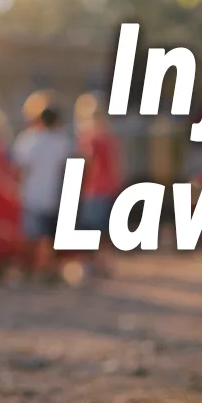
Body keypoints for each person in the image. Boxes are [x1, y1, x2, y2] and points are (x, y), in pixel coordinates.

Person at [12, 98, 74, 283]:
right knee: (53, 237)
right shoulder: (63, 142)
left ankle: (26, 270)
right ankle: (49, 270)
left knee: (31, 237)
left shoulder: (28, 140)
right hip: (55, 195)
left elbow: (20, 169)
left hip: (32, 194)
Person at [74, 93, 122, 279]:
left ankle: (91, 264)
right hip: (108, 187)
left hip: (94, 189)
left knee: (90, 228)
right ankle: (104, 263)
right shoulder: (109, 136)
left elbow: (87, 162)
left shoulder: (90, 138)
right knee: (104, 229)